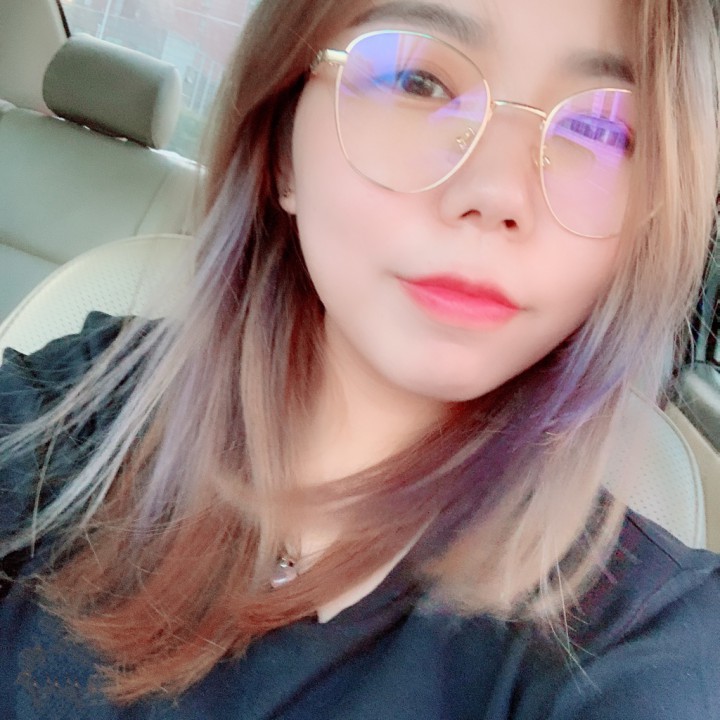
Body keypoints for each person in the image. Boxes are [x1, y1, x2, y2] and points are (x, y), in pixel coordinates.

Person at [1, 0, 719, 717]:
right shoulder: (79, 404)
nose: (496, 191)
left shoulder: (644, 642)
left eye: (599, 128)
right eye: (417, 81)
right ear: (284, 149)